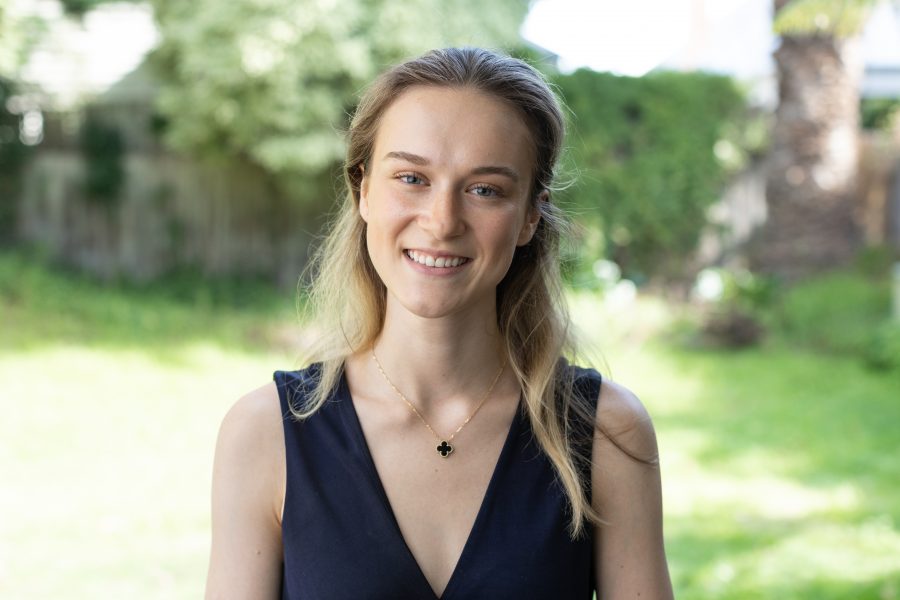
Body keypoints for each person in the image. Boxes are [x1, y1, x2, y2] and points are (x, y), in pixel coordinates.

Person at [205, 47, 673, 599]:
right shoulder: (266, 432)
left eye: (485, 189)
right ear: (363, 191)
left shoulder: (604, 434)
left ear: (529, 216)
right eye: (411, 177)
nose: (442, 221)